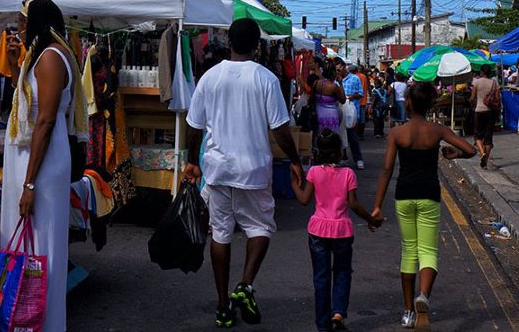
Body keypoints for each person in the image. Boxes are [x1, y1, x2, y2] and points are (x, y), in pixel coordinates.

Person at [183, 18, 302, 328]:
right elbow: (280, 129)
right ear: (257, 46)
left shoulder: (210, 77)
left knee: (220, 234)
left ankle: (223, 306)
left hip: (217, 169)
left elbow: (194, 126)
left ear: (230, 44)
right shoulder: (266, 78)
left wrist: (191, 162)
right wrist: (296, 160)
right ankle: (245, 285)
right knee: (261, 228)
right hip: (254, 170)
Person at [1, 0, 84, 332]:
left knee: (40, 243)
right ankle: (27, 317)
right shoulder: (43, 54)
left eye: (23, 21)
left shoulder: (50, 58)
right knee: (30, 241)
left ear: (36, 21)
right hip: (34, 156)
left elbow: (46, 120)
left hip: (41, 161)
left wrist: (29, 183)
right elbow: (28, 105)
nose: (19, 27)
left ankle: (42, 322)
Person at [372, 82, 476, 329]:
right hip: (429, 194)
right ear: (430, 104)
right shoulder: (437, 130)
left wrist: (377, 206)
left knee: (409, 251)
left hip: (404, 195)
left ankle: (408, 312)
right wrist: (455, 155)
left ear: (408, 102)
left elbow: (386, 170)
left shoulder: (397, 133)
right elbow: (471, 150)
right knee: (428, 251)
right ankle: (423, 297)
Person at [291, 129, 381, 331]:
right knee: (342, 272)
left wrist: (293, 185)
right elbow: (354, 205)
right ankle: (338, 313)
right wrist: (371, 219)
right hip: (342, 231)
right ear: (340, 152)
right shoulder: (348, 174)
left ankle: (323, 324)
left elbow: (305, 200)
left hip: (318, 230)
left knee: (321, 277)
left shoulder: (314, 172)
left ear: (318, 153)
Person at [336, 61, 364, 170]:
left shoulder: (354, 79)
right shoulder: (336, 81)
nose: (337, 72)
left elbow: (360, 94)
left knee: (353, 137)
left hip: (351, 113)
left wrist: (351, 97)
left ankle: (358, 159)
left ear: (344, 67)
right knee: (340, 136)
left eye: (338, 69)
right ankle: (344, 158)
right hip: (339, 112)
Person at [471, 64, 500, 169]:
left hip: (479, 111)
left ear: (482, 72)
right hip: (490, 112)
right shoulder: (494, 83)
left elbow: (472, 97)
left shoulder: (477, 82)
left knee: (478, 136)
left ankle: (482, 153)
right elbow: (497, 99)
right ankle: (485, 164)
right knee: (488, 137)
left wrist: (475, 103)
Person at [313, 63, 346, 134]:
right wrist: (341, 85)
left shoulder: (316, 83)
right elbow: (343, 100)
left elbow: (312, 98)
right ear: (333, 73)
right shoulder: (333, 86)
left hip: (318, 114)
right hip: (331, 117)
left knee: (319, 138)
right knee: (331, 139)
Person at [356, 65, 370, 140]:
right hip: (363, 100)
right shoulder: (364, 77)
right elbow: (368, 87)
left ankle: (357, 134)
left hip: (355, 100)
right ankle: (361, 134)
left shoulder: (353, 76)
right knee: (362, 118)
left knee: (356, 118)